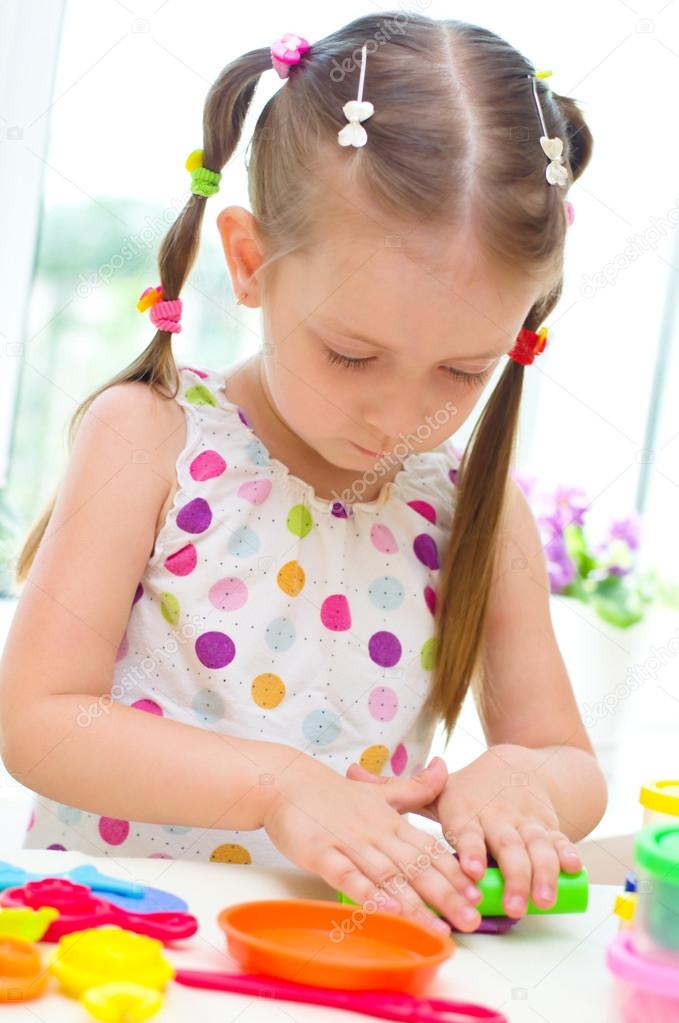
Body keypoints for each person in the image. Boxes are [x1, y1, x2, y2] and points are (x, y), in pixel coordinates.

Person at [0, 12, 607, 937]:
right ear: (249, 263)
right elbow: (39, 720)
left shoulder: (468, 507)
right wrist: (277, 785)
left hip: (341, 966)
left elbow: (566, 758)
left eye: (461, 371)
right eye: (352, 356)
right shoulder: (150, 439)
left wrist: (521, 780)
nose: (403, 421)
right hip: (118, 950)